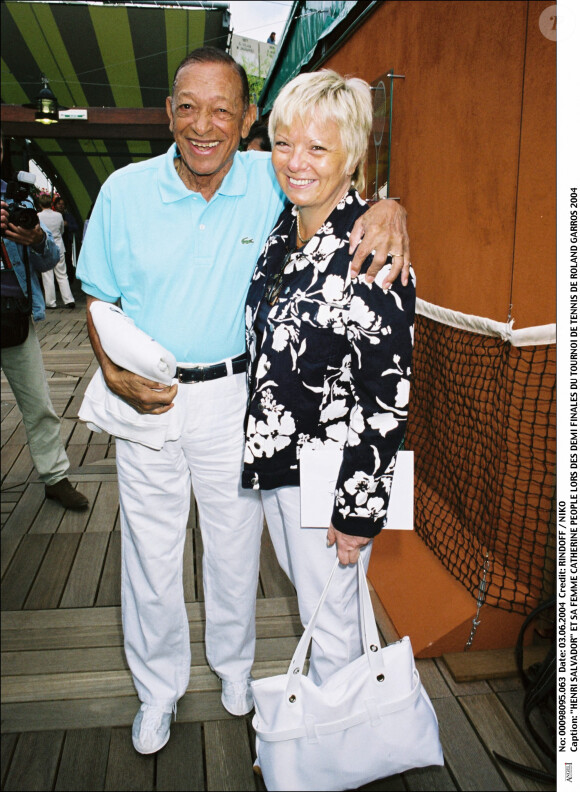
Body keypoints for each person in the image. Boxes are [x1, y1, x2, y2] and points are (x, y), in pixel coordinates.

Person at [76, 46, 410, 756]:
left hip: (241, 400)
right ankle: (158, 691)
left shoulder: (273, 179)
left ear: (245, 119)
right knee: (149, 555)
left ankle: (235, 675)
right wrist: (111, 370)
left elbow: (341, 162)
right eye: (188, 107)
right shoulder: (125, 192)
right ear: (168, 112)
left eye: (222, 109)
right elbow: (97, 296)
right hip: (149, 401)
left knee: (234, 554)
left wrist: (391, 204)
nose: (204, 125)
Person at [242, 70, 415, 685]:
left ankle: (331, 759)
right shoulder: (284, 233)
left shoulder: (370, 246)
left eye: (318, 147)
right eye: (284, 142)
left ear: (352, 156)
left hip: (330, 475)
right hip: (280, 462)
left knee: (332, 624)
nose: (295, 161)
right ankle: (334, 739)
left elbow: (387, 395)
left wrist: (358, 509)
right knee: (327, 605)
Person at [1, 140, 89, 512]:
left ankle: (55, 478)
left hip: (14, 317)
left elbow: (51, 258)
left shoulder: (17, 200)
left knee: (39, 403)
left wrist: (36, 239)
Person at [37, 193, 76, 309]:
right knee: (62, 274)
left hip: (45, 246)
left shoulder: (38, 216)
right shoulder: (59, 215)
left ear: (40, 204)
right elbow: (62, 230)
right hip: (59, 246)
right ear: (51, 204)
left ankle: (51, 302)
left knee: (47, 274)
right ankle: (69, 299)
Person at [54, 196, 79, 286]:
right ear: (55, 205)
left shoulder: (68, 217)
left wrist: (67, 225)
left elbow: (76, 227)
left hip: (66, 242)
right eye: (59, 204)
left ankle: (69, 280)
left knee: (67, 260)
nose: (61, 206)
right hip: (54, 242)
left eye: (62, 204)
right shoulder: (53, 216)